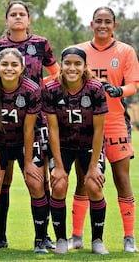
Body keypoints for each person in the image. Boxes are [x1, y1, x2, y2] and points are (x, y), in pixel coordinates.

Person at [0, 0, 60, 249]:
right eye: (13, 14)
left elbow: (56, 73)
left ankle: (45, 236)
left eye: (22, 14)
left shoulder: (41, 44)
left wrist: (45, 94)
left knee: (38, 180)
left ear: (28, 19)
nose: (18, 17)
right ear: (6, 19)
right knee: (2, 179)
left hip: (35, 118)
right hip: (4, 120)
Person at [68, 6, 139, 252]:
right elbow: (65, 76)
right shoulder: (81, 51)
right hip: (86, 125)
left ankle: (129, 237)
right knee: (84, 180)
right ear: (91, 24)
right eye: (98, 21)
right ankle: (77, 236)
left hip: (115, 121)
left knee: (122, 179)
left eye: (108, 21)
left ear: (114, 26)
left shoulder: (125, 51)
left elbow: (133, 85)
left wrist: (120, 91)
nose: (103, 25)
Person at [0, 48, 48, 253]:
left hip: (24, 142)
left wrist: (28, 162)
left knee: (35, 183)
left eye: (14, 65)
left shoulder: (31, 89)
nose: (9, 68)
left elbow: (28, 129)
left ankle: (40, 241)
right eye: (5, 65)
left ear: (22, 68)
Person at [43, 46, 109, 254]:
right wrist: (59, 167)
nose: (72, 68)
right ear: (61, 65)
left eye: (77, 63)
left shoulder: (95, 88)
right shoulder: (51, 89)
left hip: (90, 144)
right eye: (68, 63)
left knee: (93, 184)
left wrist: (93, 167)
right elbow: (52, 129)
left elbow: (99, 130)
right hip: (62, 145)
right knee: (60, 184)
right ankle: (61, 239)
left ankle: (97, 241)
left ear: (84, 66)